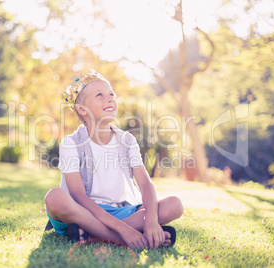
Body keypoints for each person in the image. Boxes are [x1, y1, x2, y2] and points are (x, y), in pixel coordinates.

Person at [44, 69, 183, 250]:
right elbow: (78, 196)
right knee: (55, 197)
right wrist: (124, 230)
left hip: (123, 212)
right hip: (85, 212)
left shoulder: (126, 141)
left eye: (111, 94)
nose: (109, 99)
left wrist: (151, 221)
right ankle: (122, 238)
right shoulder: (71, 143)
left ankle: (89, 233)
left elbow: (146, 184)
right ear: (81, 109)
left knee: (174, 205)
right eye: (100, 95)